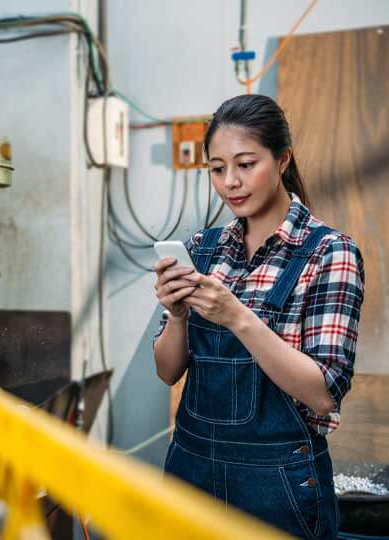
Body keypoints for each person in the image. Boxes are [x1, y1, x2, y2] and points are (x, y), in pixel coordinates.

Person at [153, 94, 364, 539]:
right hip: (190, 473)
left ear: (283, 159)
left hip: (278, 487)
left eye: (246, 164)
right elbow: (167, 371)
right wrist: (176, 316)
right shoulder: (203, 249)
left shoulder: (329, 253)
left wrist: (237, 317)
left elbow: (323, 392)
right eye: (217, 168)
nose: (231, 181)